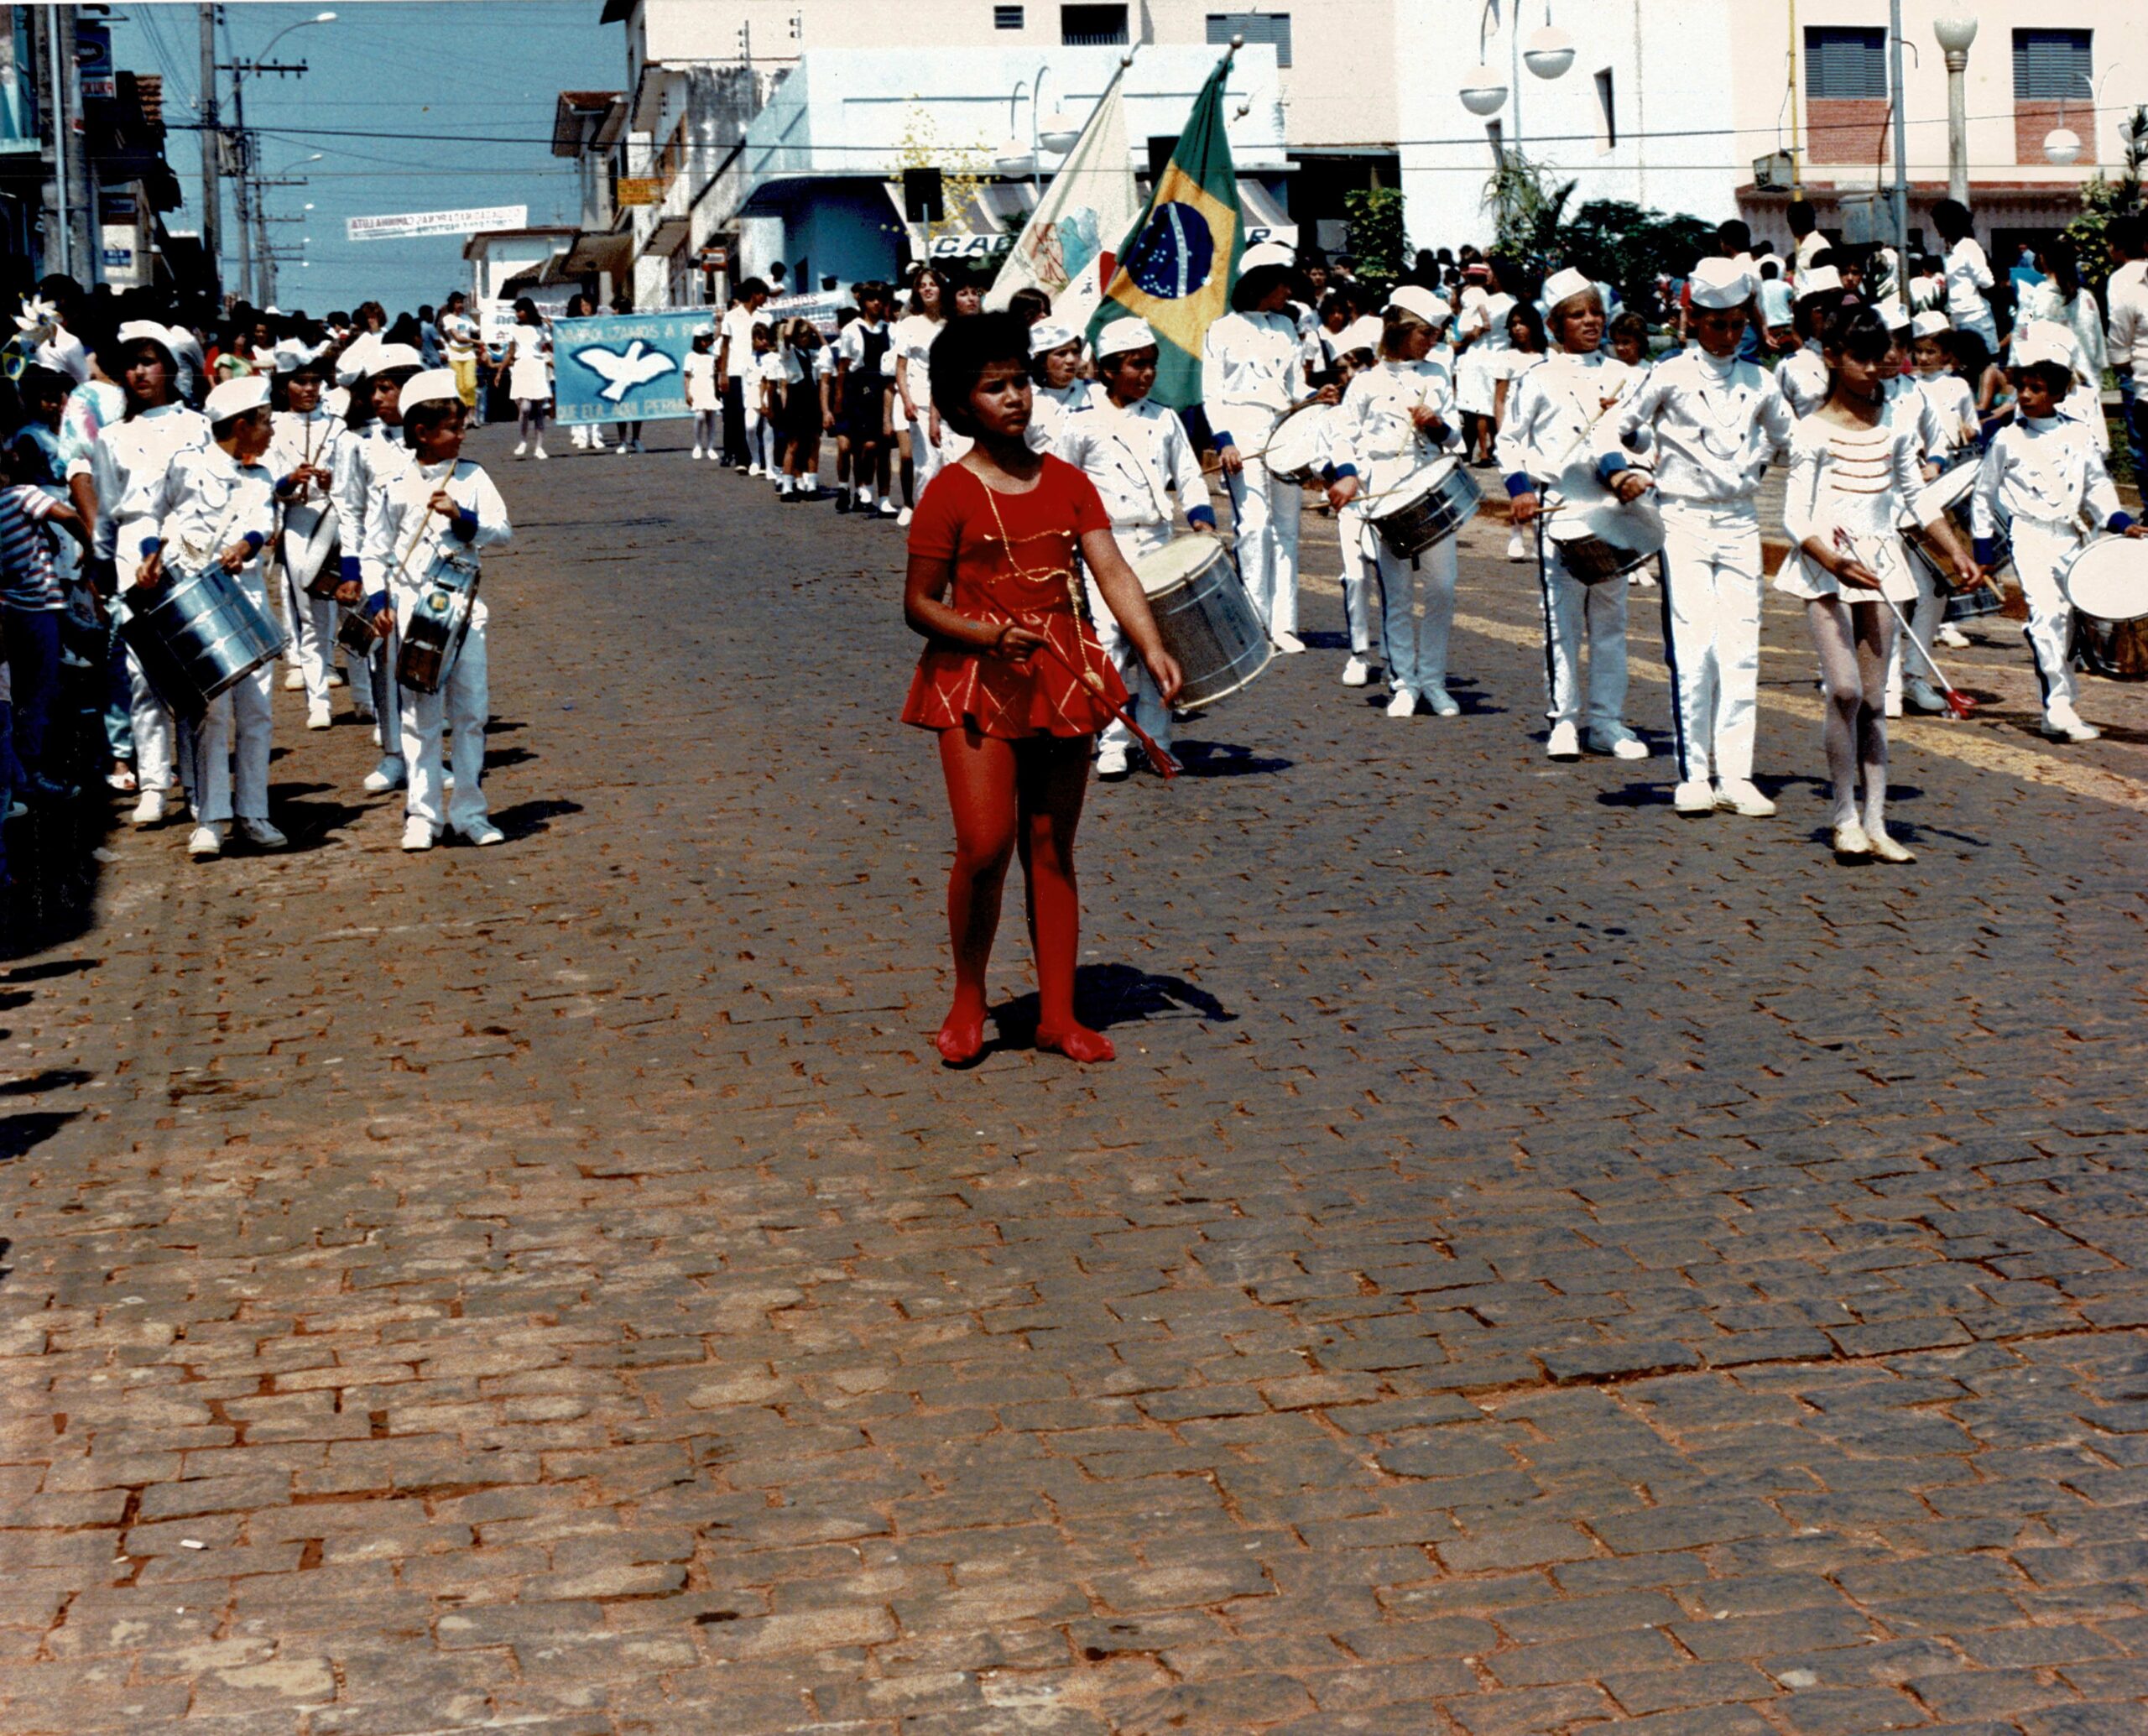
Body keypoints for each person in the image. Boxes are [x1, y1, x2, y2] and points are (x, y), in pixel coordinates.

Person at [899, 312, 1181, 1066]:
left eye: (1020, 381)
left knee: (1053, 849)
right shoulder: (949, 493)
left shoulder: (1068, 483)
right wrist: (987, 634)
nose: (1015, 398)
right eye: (994, 388)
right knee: (986, 845)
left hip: (1063, 675)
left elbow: (1111, 569)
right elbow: (918, 604)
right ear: (961, 407)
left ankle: (1058, 1014)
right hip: (974, 683)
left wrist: (1152, 645)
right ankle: (969, 997)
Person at [1779, 305, 1979, 863]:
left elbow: (1916, 498)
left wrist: (1955, 550)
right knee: (1841, 689)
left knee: (1873, 699)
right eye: (1859, 358)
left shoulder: (1894, 425)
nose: (1872, 368)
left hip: (1882, 561)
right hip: (1827, 566)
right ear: (1832, 358)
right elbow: (1794, 517)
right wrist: (1834, 561)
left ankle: (1875, 820)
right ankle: (1842, 814)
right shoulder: (1813, 430)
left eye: (1877, 356)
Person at [1601, 256, 1795, 817]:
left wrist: (1759, 463)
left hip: (1740, 519)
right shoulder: (1668, 373)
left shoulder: (1761, 380)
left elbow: (1790, 440)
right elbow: (1621, 428)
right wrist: (1633, 462)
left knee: (1741, 649)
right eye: (1717, 324)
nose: (1728, 336)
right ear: (1693, 318)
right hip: (1682, 517)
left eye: (1738, 324)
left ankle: (1736, 772)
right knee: (1695, 647)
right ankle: (1695, 772)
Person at [1499, 268, 1647, 763]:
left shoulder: (1625, 376)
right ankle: (1563, 719)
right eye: (1577, 314)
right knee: (1560, 624)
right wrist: (1519, 491)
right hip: (1558, 510)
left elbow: (1646, 439)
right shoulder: (1538, 377)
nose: (1590, 321)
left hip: (1612, 511)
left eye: (1595, 312)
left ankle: (1607, 722)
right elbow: (1510, 441)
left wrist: (1631, 445)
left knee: (1611, 622)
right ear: (1556, 323)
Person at [1056, 318, 1215, 779]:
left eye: (1151, 365)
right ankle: (1112, 739)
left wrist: (1200, 513)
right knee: (1109, 644)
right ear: (1107, 370)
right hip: (1106, 545)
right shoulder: (1080, 423)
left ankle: (1157, 741)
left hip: (1157, 542)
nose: (1147, 375)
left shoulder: (1164, 418)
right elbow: (1064, 486)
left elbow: (1186, 473)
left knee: (1159, 644)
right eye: (1136, 365)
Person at [361, 370, 511, 851]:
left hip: (463, 607)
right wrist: (380, 602)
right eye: (452, 428)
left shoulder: (473, 476)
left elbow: (502, 529)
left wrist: (462, 518)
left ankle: (469, 811)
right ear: (422, 432)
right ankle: (422, 816)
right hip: (411, 608)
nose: (461, 436)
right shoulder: (392, 482)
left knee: (470, 713)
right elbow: (374, 549)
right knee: (418, 718)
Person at [138, 377, 287, 859]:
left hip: (244, 597)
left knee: (257, 710)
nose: (271, 429)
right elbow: (153, 514)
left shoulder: (261, 477)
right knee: (210, 710)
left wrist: (247, 545)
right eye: (264, 421)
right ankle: (212, 817)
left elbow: (262, 523)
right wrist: (149, 555)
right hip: (199, 602)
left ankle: (253, 812)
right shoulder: (185, 464)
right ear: (241, 426)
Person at [1971, 345, 2144, 745]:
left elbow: (2098, 485)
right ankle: (2060, 706)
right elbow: (1983, 495)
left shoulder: (2078, 434)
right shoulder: (2007, 440)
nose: (2026, 396)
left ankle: (2056, 705)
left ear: (2058, 394)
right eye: (2023, 388)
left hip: (2073, 535)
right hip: (2030, 535)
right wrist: (1982, 551)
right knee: (2046, 616)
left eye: (2037, 388)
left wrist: (2119, 522)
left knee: (2070, 621)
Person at [91, 322, 212, 827]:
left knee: (192, 675)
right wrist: (100, 562)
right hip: (131, 554)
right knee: (143, 678)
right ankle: (154, 783)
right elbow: (105, 505)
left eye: (150, 360)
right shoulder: (114, 435)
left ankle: (200, 785)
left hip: (186, 545)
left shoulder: (197, 425)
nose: (141, 372)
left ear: (169, 366)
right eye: (132, 364)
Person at [1327, 287, 1465, 720]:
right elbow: (1342, 435)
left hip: (1430, 482)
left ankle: (1434, 680)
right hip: (1385, 486)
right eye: (1427, 331)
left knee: (1442, 588)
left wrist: (1438, 423)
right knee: (1397, 590)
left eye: (1438, 332)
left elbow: (1457, 435)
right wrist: (1348, 475)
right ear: (1402, 328)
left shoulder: (1440, 374)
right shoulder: (1368, 381)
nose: (1434, 340)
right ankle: (1403, 681)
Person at [1203, 241, 1321, 654]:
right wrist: (1226, 442)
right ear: (1260, 283)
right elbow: (1212, 394)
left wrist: (1316, 395)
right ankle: (1254, 623)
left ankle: (1284, 625)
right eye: (1282, 284)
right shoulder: (1221, 330)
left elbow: (1292, 388)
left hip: (1282, 430)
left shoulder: (1287, 328)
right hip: (1241, 431)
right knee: (1254, 526)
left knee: (1287, 529)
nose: (1288, 293)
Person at [331, 341, 425, 795]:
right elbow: (349, 510)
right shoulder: (359, 443)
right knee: (383, 661)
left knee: (425, 660)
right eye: (375, 390)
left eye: (389, 389)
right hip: (378, 567)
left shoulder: (432, 440)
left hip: (425, 566)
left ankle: (424, 756)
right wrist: (351, 570)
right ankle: (393, 755)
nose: (379, 399)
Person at [0, 436, 89, 804]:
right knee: (38, 692)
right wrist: (92, 544)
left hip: (11, 609)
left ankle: (21, 774)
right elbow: (66, 515)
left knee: (19, 694)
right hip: (38, 608)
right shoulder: (21, 494)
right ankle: (31, 776)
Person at [268, 354, 347, 731]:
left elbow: (353, 480)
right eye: (301, 382)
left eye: (315, 381)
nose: (310, 389)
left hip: (337, 517)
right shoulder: (274, 425)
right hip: (298, 520)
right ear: (286, 386)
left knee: (351, 607)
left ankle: (364, 696)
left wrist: (335, 484)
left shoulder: (338, 426)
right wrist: (289, 480)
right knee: (308, 606)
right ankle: (318, 700)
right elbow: (267, 482)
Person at [1315, 315, 1387, 690]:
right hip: (1352, 507)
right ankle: (1359, 653)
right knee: (1355, 576)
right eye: (1343, 368)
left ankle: (1393, 654)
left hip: (1387, 501)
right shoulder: (1331, 415)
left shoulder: (1385, 406)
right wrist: (1338, 474)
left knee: (1390, 579)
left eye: (1353, 367)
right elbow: (1315, 460)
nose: (1347, 376)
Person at [2013, 237, 2107, 446]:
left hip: (2044, 389)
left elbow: (2021, 339)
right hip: (2083, 384)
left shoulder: (2034, 299)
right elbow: (2097, 348)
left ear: (2043, 260)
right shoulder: (2087, 299)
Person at [1493, 300, 1548, 563]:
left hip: (1541, 425)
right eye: (1513, 324)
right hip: (1516, 427)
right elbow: (1500, 399)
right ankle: (1516, 533)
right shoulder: (1507, 358)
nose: (1517, 329)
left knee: (1540, 481)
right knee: (1519, 480)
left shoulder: (1548, 357)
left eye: (1522, 323)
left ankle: (1540, 536)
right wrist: (1502, 430)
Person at [893, 268, 949, 525]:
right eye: (922, 285)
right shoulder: (909, 325)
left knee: (950, 461)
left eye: (932, 284)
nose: (927, 289)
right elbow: (901, 368)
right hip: (920, 403)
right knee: (927, 464)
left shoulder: (950, 324)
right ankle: (925, 518)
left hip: (949, 403)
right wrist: (906, 400)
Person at [834, 281, 895, 516]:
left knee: (883, 447)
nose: (877, 303)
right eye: (872, 298)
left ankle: (883, 497)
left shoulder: (890, 330)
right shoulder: (851, 329)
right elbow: (843, 366)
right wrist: (839, 398)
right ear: (863, 301)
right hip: (858, 391)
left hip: (882, 388)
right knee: (865, 445)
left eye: (880, 299)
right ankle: (862, 489)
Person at [2107, 216, 2148, 487]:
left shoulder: (2120, 281)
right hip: (2141, 381)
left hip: (2137, 378)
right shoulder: (2132, 286)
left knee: (2142, 449)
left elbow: (2119, 341)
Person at [774, 317, 833, 500]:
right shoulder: (788, 352)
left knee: (814, 441)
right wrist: (794, 320)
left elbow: (827, 349)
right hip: (796, 397)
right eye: (801, 336)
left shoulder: (811, 353)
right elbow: (787, 335)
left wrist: (815, 329)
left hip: (811, 398)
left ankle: (812, 484)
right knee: (793, 444)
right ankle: (787, 487)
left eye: (806, 335)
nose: (805, 338)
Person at [717, 278, 770, 471]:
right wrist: (722, 373)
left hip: (758, 371)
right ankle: (743, 459)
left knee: (758, 413)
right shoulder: (731, 316)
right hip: (735, 371)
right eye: (763, 294)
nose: (765, 298)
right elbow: (724, 345)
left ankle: (762, 458)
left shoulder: (766, 317)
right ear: (754, 294)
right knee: (737, 415)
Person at [1932, 199, 1997, 353]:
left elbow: (1987, 283)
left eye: (1937, 222)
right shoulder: (1955, 250)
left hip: (1976, 320)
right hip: (1959, 320)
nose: (1936, 227)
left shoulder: (1969, 247)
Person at [498, 298, 553, 461]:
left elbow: (552, 346)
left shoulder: (541, 327)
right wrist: (500, 371)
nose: (517, 314)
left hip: (537, 365)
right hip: (522, 366)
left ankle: (539, 447)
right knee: (525, 407)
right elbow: (510, 352)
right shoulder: (514, 328)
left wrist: (551, 327)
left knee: (538, 409)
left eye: (520, 310)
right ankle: (522, 441)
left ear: (528, 310)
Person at [558, 293, 611, 451]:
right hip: (577, 369)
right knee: (580, 403)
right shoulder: (572, 325)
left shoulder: (599, 324)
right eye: (582, 305)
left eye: (588, 304)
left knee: (596, 403)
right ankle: (582, 436)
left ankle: (595, 435)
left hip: (597, 369)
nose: (586, 308)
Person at [748, 321, 785, 483]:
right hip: (751, 395)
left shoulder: (773, 357)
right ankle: (755, 458)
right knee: (750, 426)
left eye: (765, 338)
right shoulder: (747, 358)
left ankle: (769, 466)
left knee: (768, 431)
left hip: (767, 393)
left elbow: (768, 380)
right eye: (759, 338)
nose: (763, 341)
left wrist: (765, 401)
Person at [437, 292, 482, 422]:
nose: (460, 305)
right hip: (455, 354)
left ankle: (472, 413)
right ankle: (464, 416)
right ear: (452, 304)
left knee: (470, 384)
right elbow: (458, 337)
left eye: (461, 302)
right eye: (457, 302)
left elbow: (478, 330)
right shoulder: (448, 319)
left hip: (469, 354)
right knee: (460, 386)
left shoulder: (467, 318)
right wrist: (477, 342)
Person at [685, 324, 719, 459]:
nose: (706, 343)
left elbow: (715, 376)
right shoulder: (690, 356)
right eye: (704, 340)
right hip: (697, 388)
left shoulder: (712, 357)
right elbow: (687, 377)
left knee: (711, 419)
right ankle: (698, 444)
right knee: (700, 417)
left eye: (708, 340)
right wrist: (687, 393)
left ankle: (710, 446)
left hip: (709, 388)